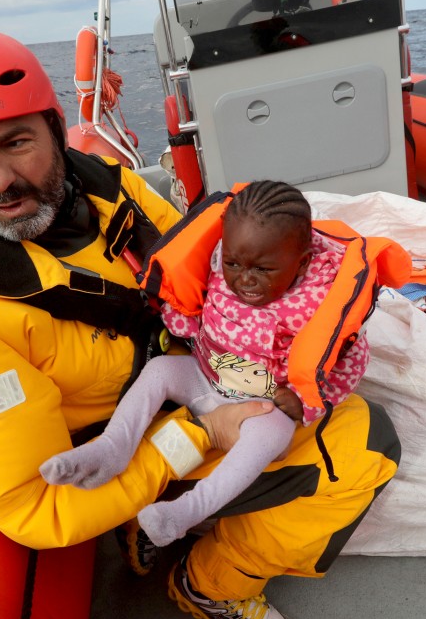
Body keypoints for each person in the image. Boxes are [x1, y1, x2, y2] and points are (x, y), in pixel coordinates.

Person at [0, 27, 402, 619]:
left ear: (57, 130)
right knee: (367, 446)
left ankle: (169, 527)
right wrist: (199, 432)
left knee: (338, 407)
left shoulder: (114, 194)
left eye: (16, 141)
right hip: (123, 459)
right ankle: (212, 584)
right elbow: (38, 510)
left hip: (196, 380)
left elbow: (200, 283)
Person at [40, 180, 383, 550]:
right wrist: (179, 321)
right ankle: (111, 448)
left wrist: (308, 403)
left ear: (300, 263)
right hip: (205, 375)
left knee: (272, 435)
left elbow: (349, 362)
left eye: (263, 270)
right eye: (235, 263)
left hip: (263, 403)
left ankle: (187, 512)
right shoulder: (220, 260)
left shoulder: (321, 301)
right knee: (158, 373)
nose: (244, 279)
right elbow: (197, 308)